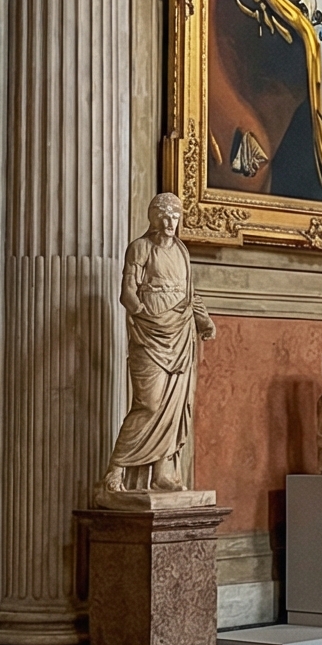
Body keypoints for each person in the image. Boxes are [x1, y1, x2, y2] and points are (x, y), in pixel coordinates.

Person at [100, 194, 217, 494]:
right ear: (153, 218)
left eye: (174, 217)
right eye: (163, 217)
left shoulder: (182, 251)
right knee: (149, 403)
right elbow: (127, 291)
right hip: (149, 335)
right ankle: (116, 468)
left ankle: (162, 472)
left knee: (174, 407)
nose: (169, 223)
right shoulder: (141, 248)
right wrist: (142, 314)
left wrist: (204, 320)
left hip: (180, 335)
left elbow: (189, 295)